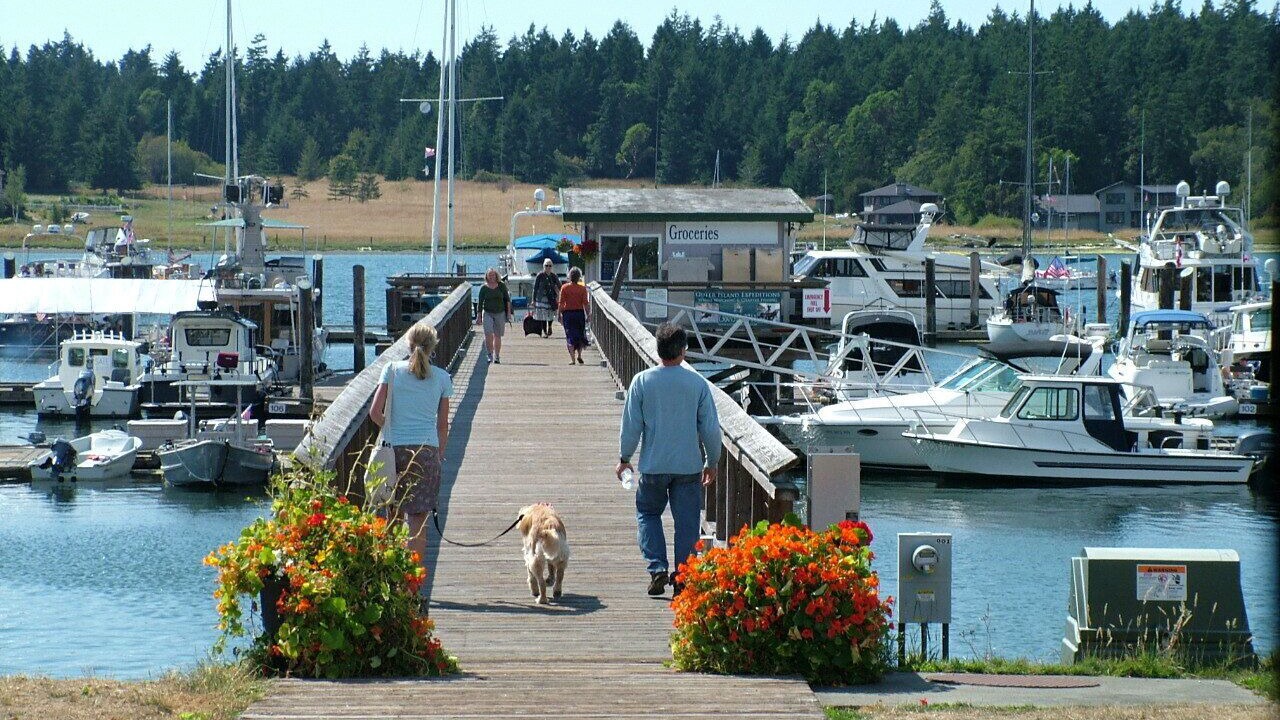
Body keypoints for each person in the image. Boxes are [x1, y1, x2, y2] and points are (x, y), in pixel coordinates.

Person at [616, 323, 720, 597]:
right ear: (683, 351)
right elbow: (710, 429)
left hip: (654, 465)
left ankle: (657, 568)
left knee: (648, 514)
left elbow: (631, 426)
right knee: (687, 523)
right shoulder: (697, 384)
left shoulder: (642, 381)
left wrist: (625, 458)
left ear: (658, 350)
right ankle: (683, 578)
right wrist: (712, 461)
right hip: (688, 467)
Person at [368, 324, 454, 576]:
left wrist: (391, 428)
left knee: (391, 514)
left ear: (408, 344)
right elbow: (442, 425)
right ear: (433, 347)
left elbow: (375, 413)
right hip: (426, 452)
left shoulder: (391, 370)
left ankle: (389, 575)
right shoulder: (442, 378)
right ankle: (412, 581)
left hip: (394, 451)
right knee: (418, 522)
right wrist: (439, 454)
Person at [475, 268, 511, 363]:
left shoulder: (501, 286)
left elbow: (507, 300)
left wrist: (508, 313)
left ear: (496, 276)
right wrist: (479, 316)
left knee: (497, 335)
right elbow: (480, 302)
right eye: (489, 275)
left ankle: (497, 356)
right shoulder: (484, 288)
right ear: (486, 276)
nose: (491, 277)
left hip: (500, 313)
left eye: (493, 275)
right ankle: (489, 354)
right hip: (487, 312)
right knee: (488, 334)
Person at [558, 267, 590, 365]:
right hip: (579, 314)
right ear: (579, 277)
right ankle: (579, 355)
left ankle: (572, 359)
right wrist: (588, 314)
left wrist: (559, 314)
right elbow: (585, 303)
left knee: (570, 336)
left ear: (570, 276)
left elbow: (561, 303)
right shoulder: (582, 289)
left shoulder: (564, 288)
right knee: (580, 335)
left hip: (568, 314)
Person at [531, 259, 560, 338]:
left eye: (550, 266)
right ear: (543, 266)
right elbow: (535, 288)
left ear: (552, 267)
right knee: (543, 316)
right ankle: (544, 331)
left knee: (550, 314)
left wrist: (559, 294)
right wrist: (533, 300)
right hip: (541, 298)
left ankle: (550, 326)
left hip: (551, 298)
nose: (548, 267)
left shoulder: (554, 276)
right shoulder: (540, 275)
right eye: (546, 265)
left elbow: (559, 286)